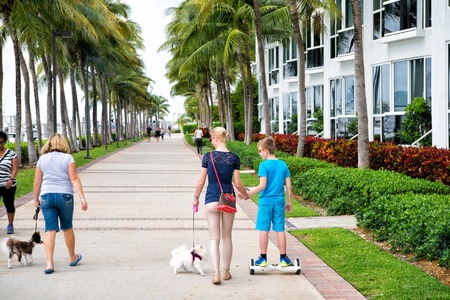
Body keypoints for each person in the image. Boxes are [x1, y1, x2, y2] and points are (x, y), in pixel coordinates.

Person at [193, 127, 249, 285]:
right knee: (227, 237)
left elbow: (201, 181)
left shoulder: (208, 157)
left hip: (211, 199)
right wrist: (245, 195)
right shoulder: (234, 158)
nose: (211, 141)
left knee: (213, 239)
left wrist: (195, 198)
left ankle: (216, 273)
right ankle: (226, 272)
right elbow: (237, 183)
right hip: (227, 201)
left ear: (216, 138)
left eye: (211, 138)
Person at [33, 133, 88, 274]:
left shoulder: (42, 159)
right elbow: (74, 178)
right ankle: (72, 257)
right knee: (67, 227)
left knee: (50, 229)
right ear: (63, 143)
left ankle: (49, 263)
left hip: (47, 196)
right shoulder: (68, 158)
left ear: (49, 143)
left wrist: (35, 199)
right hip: (65, 196)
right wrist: (82, 197)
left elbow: (37, 181)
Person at [246, 136, 293, 268]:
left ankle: (263, 258)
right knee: (280, 229)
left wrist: (248, 194)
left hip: (265, 202)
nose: (259, 153)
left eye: (260, 150)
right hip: (279, 202)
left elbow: (262, 186)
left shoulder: (264, 165)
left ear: (266, 151)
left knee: (264, 230)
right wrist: (289, 202)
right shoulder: (283, 164)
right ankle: (283, 258)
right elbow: (288, 186)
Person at [0, 131, 18, 234]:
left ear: (4, 142)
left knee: (9, 205)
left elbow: (15, 169)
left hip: (8, 185)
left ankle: (10, 224)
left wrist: (11, 179)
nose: (0, 145)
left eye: (1, 142)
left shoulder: (11, 154)